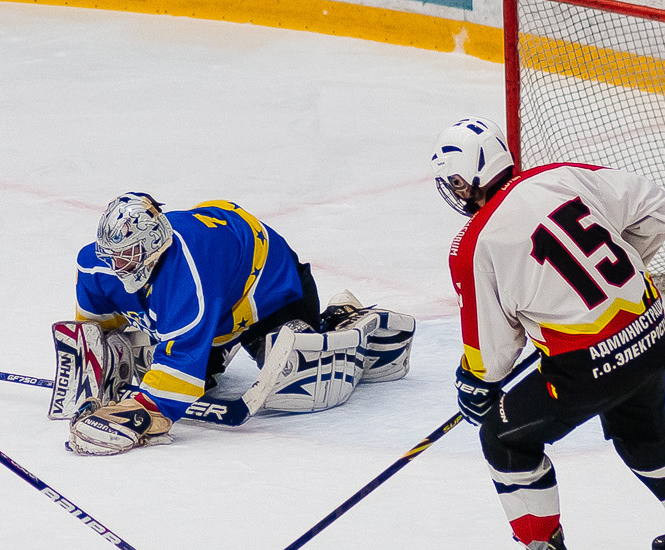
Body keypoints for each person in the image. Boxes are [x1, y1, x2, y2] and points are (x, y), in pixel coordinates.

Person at [429, 117, 665, 550]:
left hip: (585, 366)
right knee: (644, 431)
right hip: (648, 328)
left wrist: (477, 384)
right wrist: (614, 279)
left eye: (459, 180)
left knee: (505, 438)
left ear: (481, 175)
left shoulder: (473, 244)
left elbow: (491, 353)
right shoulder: (561, 175)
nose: (456, 191)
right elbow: (658, 209)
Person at [57, 193, 415, 456]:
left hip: (272, 288)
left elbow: (180, 365)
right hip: (221, 292)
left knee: (297, 377)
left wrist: (143, 412)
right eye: (110, 252)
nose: (115, 263)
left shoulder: (186, 277)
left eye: (127, 254)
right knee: (183, 367)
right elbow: (95, 330)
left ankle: (344, 321)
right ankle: (218, 343)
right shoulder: (96, 264)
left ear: (152, 245)